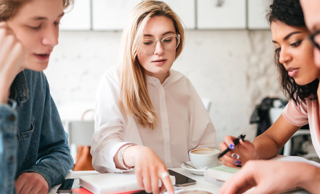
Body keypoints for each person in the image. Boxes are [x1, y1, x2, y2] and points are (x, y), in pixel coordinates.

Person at [91, 1, 216, 194]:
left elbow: (204, 145)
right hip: (134, 188)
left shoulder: (183, 84)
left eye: (167, 39)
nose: (159, 50)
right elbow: (102, 151)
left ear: (178, 41)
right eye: (147, 42)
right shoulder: (114, 81)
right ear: (132, 44)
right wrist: (136, 153)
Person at [218, 0, 320, 193]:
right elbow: (273, 137)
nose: (282, 58)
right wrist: (252, 152)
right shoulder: (309, 96)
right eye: (278, 48)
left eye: (294, 43)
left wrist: (303, 174)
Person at [0, 0, 74, 194]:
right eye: (35, 25)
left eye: (57, 22)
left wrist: (42, 173)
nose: (53, 39)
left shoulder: (34, 76)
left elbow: (58, 148)